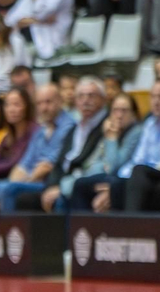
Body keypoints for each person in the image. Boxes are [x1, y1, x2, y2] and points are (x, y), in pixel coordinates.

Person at [67, 79, 160, 212]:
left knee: (121, 182)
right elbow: (137, 159)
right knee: (81, 184)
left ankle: (126, 224)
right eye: (153, 96)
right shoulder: (150, 123)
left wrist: (112, 139)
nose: (156, 101)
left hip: (159, 175)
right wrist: (121, 178)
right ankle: (80, 225)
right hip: (137, 174)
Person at [0, 84, 75, 211]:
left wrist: (24, 181)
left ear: (60, 101)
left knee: (9, 189)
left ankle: (10, 224)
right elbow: (24, 164)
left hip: (50, 182)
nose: (44, 108)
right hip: (29, 179)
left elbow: (47, 165)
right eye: (39, 103)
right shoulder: (42, 130)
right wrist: (15, 180)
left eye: (48, 102)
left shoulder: (68, 126)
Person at [35, 77, 113, 212]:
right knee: (29, 197)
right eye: (81, 96)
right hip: (67, 181)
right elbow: (59, 163)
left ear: (103, 99)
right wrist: (51, 186)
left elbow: (87, 164)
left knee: (61, 199)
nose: (85, 101)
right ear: (75, 101)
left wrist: (60, 188)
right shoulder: (74, 128)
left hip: (86, 181)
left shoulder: (108, 126)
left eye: (91, 96)